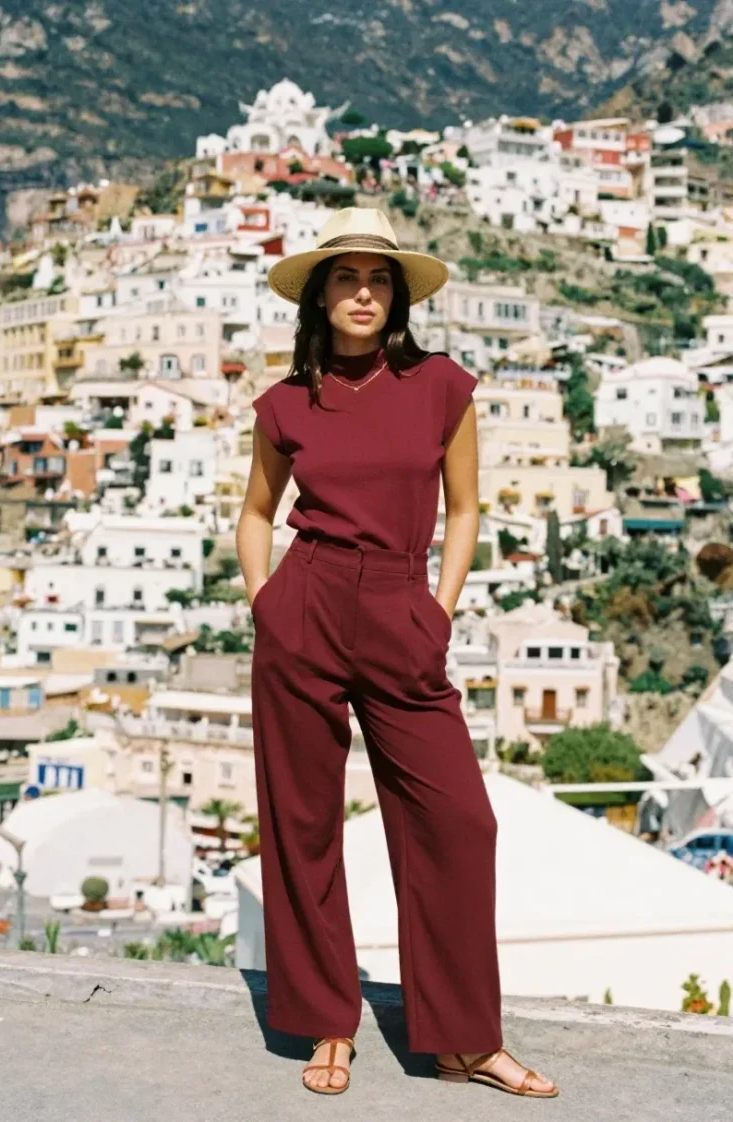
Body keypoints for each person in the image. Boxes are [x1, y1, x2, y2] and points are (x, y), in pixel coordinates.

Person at [236, 207, 559, 1100]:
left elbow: (466, 507)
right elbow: (256, 513)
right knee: (301, 822)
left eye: (378, 278)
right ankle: (326, 1023)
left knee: (459, 821)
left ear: (398, 295)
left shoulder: (441, 386)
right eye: (345, 277)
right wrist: (266, 601)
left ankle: (464, 1040)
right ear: (319, 294)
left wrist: (438, 610)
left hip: (400, 607)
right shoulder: (284, 402)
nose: (363, 292)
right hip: (304, 604)